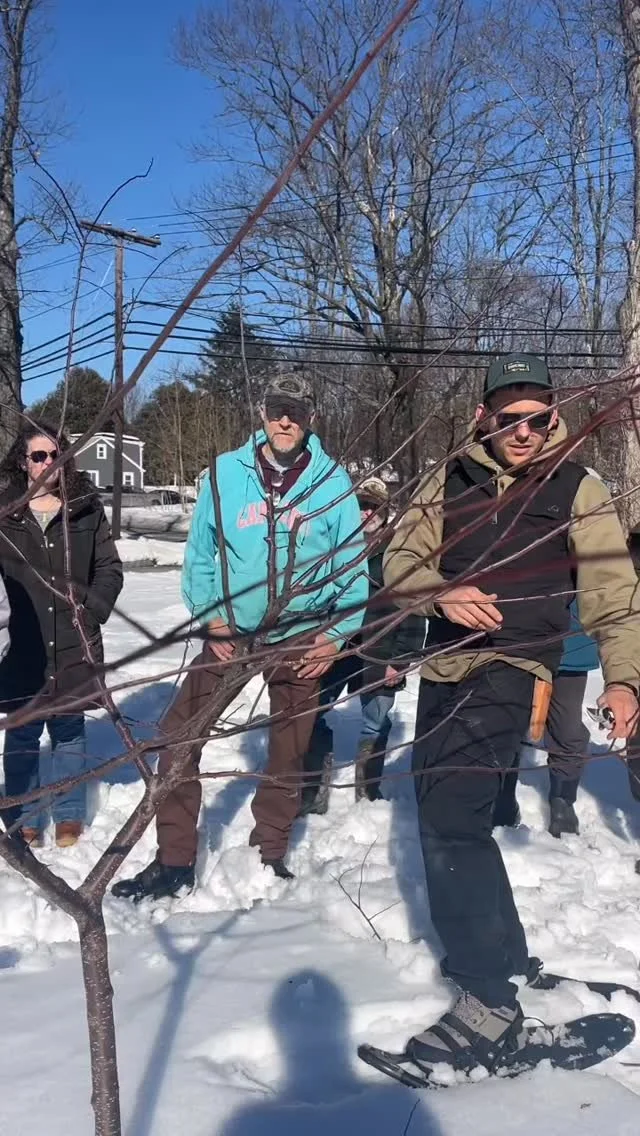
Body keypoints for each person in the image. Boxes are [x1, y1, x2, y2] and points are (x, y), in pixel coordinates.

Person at [381, 351, 640, 1072]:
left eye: (538, 417)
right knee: (448, 818)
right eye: (509, 417)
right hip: (445, 668)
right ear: (483, 417)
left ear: (554, 417)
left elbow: (614, 594)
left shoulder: (578, 487)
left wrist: (625, 680)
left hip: (514, 667)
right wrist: (437, 591)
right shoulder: (446, 478)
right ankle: (508, 961)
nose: (524, 430)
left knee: (452, 823)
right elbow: (400, 562)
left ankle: (488, 1004)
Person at [112, 375, 368, 901]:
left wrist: (336, 634)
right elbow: (200, 553)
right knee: (178, 738)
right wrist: (212, 617)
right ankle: (174, 859)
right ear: (262, 412)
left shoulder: (332, 482)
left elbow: (352, 568)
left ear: (312, 418)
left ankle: (268, 853)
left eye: (296, 411)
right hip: (231, 633)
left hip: (300, 636)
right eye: (276, 409)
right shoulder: (227, 473)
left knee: (288, 751)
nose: (285, 420)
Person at [0, 420, 123, 847]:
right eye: (39, 456)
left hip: (74, 639)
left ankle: (69, 813)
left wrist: (91, 611)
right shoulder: (6, 513)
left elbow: (109, 567)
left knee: (69, 730)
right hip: (22, 642)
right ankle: (23, 813)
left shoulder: (85, 507)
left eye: (56, 455)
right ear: (23, 461)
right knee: (23, 732)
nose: (49, 463)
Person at [299, 475, 424, 814]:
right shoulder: (333, 547)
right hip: (334, 648)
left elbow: (413, 608)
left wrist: (402, 659)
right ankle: (313, 792)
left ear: (385, 511)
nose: (367, 513)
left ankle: (367, 793)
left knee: (376, 721)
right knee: (311, 712)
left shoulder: (400, 550)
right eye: (361, 506)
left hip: (381, 649)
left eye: (374, 507)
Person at [493, 598, 600, 837]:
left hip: (572, 642)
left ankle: (563, 799)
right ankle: (502, 794)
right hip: (518, 638)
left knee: (567, 728)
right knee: (508, 720)